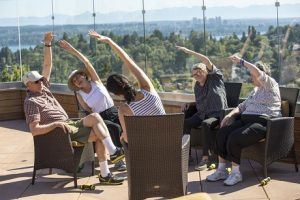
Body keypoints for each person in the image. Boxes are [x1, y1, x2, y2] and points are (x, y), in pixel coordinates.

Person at [23, 32, 125, 185]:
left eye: (40, 79)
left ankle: (112, 156)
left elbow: (47, 65)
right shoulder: (31, 102)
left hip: (70, 124)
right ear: (28, 85)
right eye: (36, 81)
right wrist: (56, 125)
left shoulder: (44, 90)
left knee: (96, 119)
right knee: (101, 128)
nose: (40, 82)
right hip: (59, 132)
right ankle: (108, 166)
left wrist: (47, 44)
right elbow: (35, 129)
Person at [206, 55, 281, 186]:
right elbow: (241, 107)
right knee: (222, 133)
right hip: (246, 120)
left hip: (263, 122)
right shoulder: (255, 91)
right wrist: (229, 115)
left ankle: (236, 174)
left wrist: (242, 62)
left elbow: (257, 72)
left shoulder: (271, 84)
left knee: (236, 138)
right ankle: (222, 170)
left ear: (260, 75)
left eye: (253, 76)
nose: (251, 78)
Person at [59, 40, 126, 172]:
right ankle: (119, 160)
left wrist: (72, 50)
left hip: (114, 111)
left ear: (84, 75)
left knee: (126, 126)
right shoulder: (80, 95)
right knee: (114, 127)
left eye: (78, 76)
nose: (77, 80)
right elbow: (87, 110)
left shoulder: (96, 82)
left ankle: (127, 154)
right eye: (74, 80)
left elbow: (87, 62)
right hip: (100, 117)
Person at [89, 30, 166, 143]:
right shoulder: (148, 89)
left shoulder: (124, 109)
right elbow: (129, 62)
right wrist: (110, 41)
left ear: (117, 94)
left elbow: (128, 138)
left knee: (122, 139)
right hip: (171, 143)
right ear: (127, 81)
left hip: (150, 150)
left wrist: (123, 137)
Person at [176, 46, 228, 170]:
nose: (197, 75)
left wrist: (189, 52)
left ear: (205, 70)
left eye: (199, 71)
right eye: (194, 74)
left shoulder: (215, 78)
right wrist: (190, 103)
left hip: (217, 114)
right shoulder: (197, 86)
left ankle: (206, 158)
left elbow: (206, 59)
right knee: (185, 123)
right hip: (202, 113)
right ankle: (186, 155)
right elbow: (201, 100)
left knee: (205, 124)